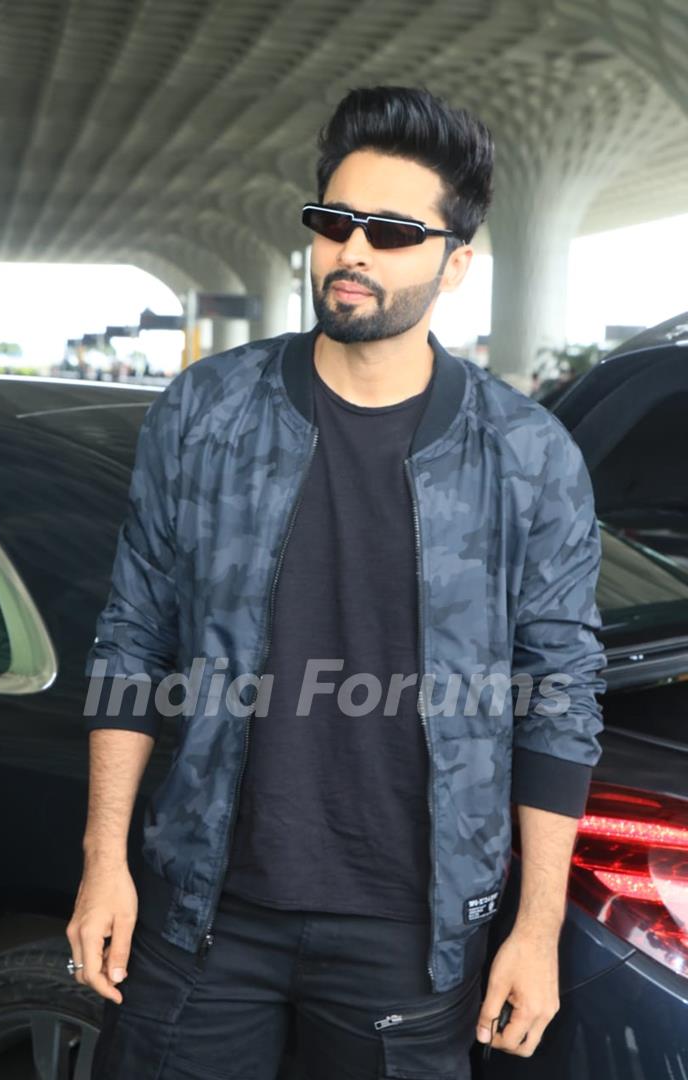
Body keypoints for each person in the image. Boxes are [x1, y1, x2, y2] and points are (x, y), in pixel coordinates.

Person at [69, 85, 607, 1079]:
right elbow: (133, 641)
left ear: (457, 265)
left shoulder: (526, 456)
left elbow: (560, 701)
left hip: (412, 934)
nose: (352, 250)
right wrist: (106, 863)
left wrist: (535, 932)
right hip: (205, 914)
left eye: (393, 231)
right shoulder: (207, 413)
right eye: (335, 221)